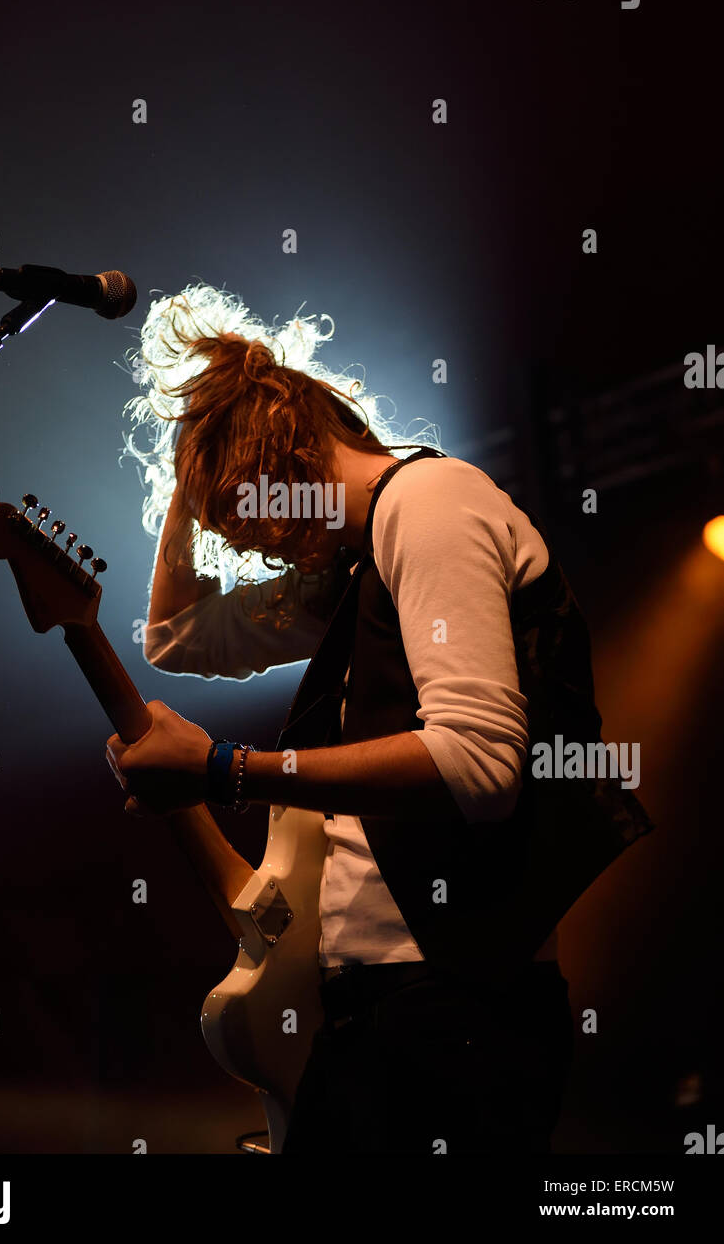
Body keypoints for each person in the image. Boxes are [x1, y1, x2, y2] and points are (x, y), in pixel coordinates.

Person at [104, 283, 650, 1154]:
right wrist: (189, 458)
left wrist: (224, 770)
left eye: (243, 519)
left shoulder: (429, 505)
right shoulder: (356, 571)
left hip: (451, 1010)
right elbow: (174, 636)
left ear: (275, 464)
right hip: (378, 1007)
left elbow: (478, 765)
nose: (249, 549)